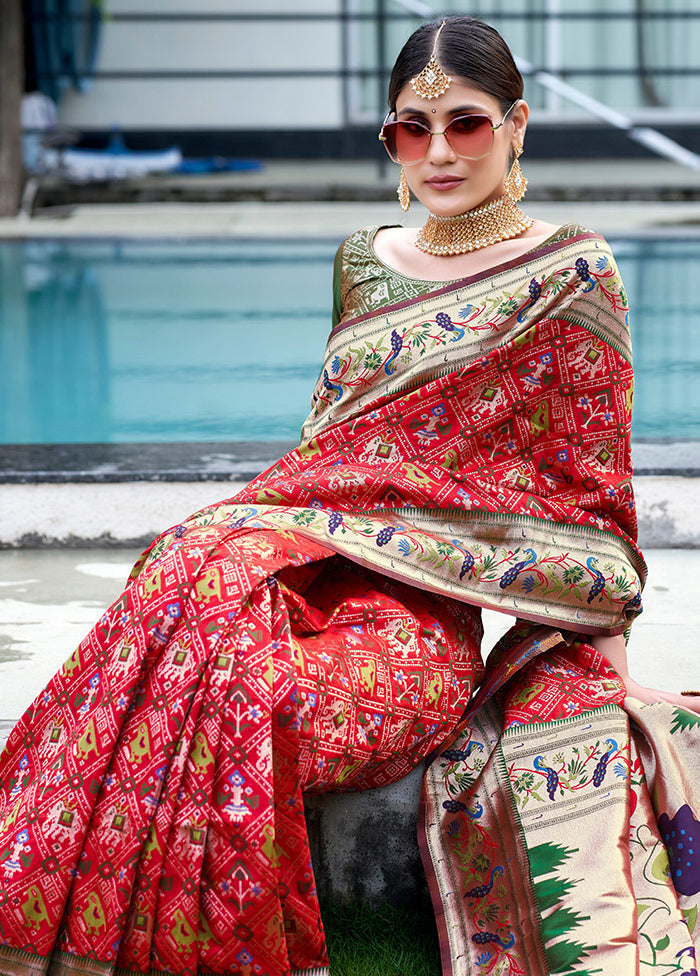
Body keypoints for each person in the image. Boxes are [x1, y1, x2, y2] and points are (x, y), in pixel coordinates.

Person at [0, 15, 698, 976]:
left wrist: (599, 668)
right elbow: (327, 457)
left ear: (518, 125)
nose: (441, 152)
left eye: (467, 124)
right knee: (192, 563)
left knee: (251, 689)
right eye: (413, 129)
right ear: (390, 140)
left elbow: (594, 501)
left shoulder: (571, 273)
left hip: (417, 626)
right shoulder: (362, 261)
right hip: (313, 572)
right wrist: (254, 538)